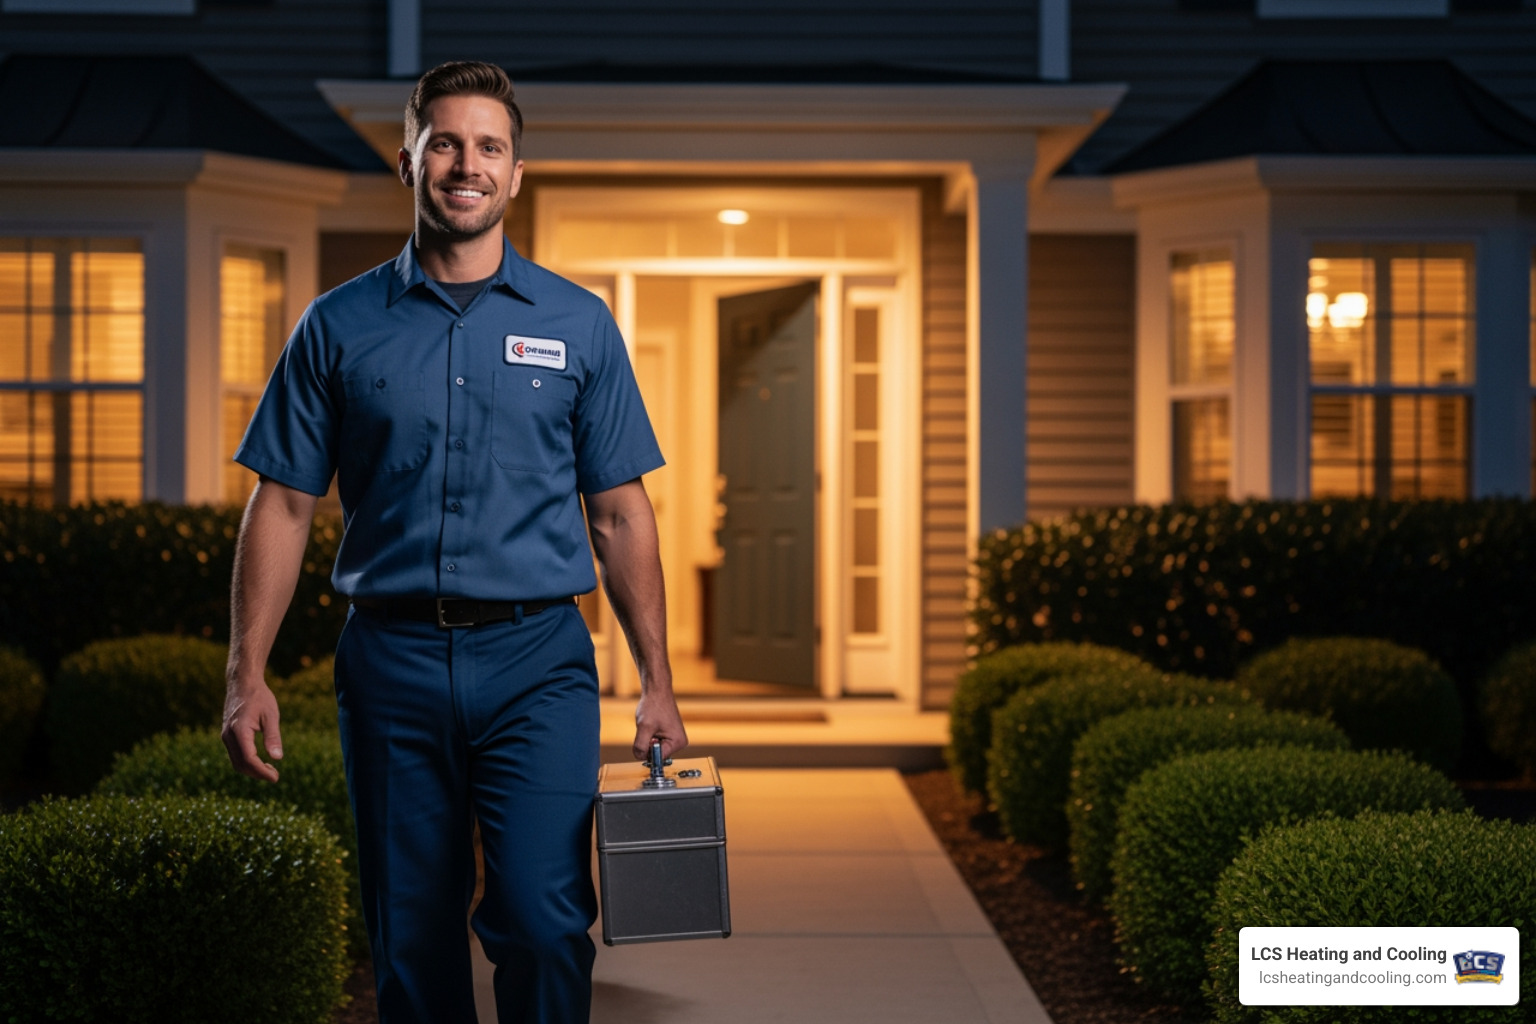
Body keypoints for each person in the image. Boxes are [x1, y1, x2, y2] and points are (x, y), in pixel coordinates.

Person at [220, 60, 687, 1024]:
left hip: (537, 662)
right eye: (445, 143)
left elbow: (621, 512)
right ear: (409, 160)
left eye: (489, 147)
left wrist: (658, 680)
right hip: (389, 661)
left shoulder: (578, 325)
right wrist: (245, 673)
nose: (465, 164)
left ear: (516, 175)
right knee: (410, 932)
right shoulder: (336, 326)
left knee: (545, 918)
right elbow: (284, 505)